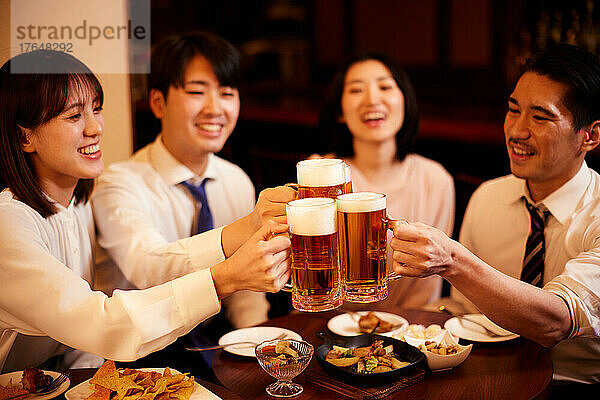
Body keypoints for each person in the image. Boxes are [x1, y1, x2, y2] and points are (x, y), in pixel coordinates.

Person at [0, 49, 292, 374]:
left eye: (97, 109)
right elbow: (105, 315)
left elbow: (78, 347)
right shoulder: (9, 221)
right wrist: (227, 274)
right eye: (74, 116)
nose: (95, 128)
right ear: (25, 136)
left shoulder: (77, 203)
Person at [390, 44, 600, 390]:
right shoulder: (488, 197)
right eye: (513, 110)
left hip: (573, 386)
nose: (516, 131)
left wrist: (452, 260)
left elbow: (555, 321)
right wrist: (411, 325)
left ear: (590, 136)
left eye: (540, 117)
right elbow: (460, 307)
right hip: (482, 377)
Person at [91, 31, 296, 374]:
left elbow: (246, 293)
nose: (215, 108)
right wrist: (245, 227)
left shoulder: (235, 180)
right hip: (137, 359)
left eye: (227, 93)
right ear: (158, 102)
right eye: (197, 92)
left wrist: (262, 350)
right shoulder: (119, 183)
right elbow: (149, 269)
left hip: (219, 352)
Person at [318, 51, 455, 308]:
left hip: (410, 331)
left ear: (405, 100)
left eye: (385, 86)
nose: (372, 99)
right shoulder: (321, 175)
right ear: (339, 111)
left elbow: (428, 283)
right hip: (330, 327)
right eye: (357, 90)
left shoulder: (435, 179)